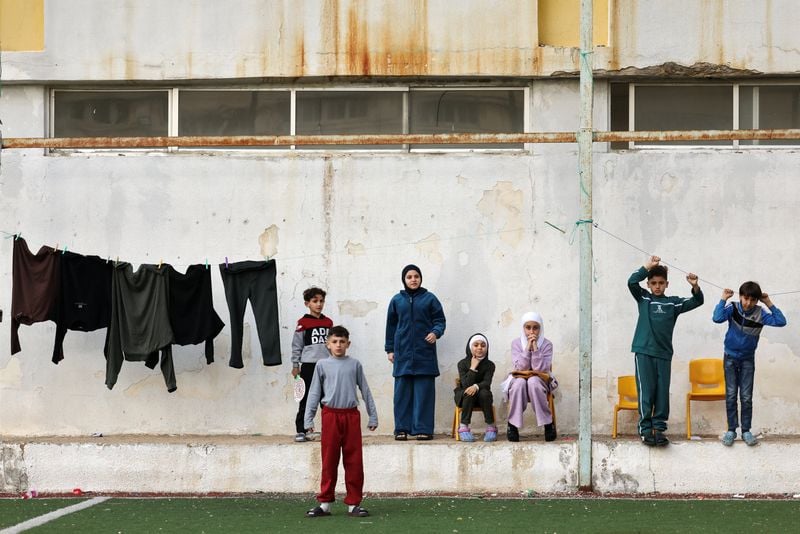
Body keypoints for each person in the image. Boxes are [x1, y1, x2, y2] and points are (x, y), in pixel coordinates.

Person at [628, 255, 703, 447]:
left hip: (664, 354)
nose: (657, 286)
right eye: (653, 283)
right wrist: (647, 266)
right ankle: (645, 430)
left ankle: (659, 429)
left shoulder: (673, 303)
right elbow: (631, 282)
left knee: (662, 392)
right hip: (644, 352)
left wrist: (694, 286)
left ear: (667, 284)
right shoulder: (644, 298)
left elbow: (697, 301)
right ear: (649, 284)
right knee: (646, 391)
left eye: (661, 283)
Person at [304, 325, 378, 518]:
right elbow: (314, 392)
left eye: (342, 342)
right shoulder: (322, 365)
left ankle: (354, 504)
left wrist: (373, 415)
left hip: (351, 416)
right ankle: (325, 503)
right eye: (335, 342)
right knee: (329, 460)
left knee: (354, 461)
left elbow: (365, 390)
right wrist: (308, 417)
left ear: (348, 344)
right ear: (328, 344)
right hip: (330, 416)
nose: (338, 345)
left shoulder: (355, 364)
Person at [712, 282, 787, 446]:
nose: (748, 303)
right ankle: (731, 430)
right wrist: (723, 299)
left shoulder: (761, 313)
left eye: (753, 300)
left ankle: (746, 430)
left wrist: (768, 303)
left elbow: (781, 321)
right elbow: (717, 318)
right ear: (740, 296)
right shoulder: (733, 308)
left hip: (747, 359)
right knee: (731, 395)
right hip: (730, 357)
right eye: (745, 298)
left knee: (746, 397)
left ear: (757, 301)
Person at [385, 264, 446, 441]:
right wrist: (390, 349)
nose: (413, 279)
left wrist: (435, 332)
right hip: (402, 354)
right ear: (404, 279)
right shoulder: (397, 300)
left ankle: (423, 429)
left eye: (416, 276)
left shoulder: (430, 299)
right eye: (409, 277)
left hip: (424, 354)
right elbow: (391, 326)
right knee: (402, 395)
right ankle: (401, 429)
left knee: (424, 393)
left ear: (420, 278)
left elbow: (440, 320)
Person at [505, 312, 557, 442]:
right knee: (519, 384)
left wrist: (535, 348)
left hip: (540, 380)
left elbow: (541, 369)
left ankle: (548, 424)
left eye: (536, 327)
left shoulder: (547, 344)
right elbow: (520, 368)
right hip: (520, 378)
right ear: (523, 328)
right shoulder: (516, 343)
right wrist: (527, 346)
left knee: (533, 381)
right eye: (528, 327)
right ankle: (513, 425)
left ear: (541, 328)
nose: (532, 331)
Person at [291, 287, 333, 443]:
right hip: (308, 366)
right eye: (315, 301)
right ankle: (302, 429)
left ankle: (329, 430)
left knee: (326, 399)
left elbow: (332, 344)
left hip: (326, 366)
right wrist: (295, 365)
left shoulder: (328, 323)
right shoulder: (302, 323)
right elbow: (297, 345)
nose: (319, 304)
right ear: (307, 303)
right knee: (306, 398)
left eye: (321, 301)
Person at [454, 333, 497, 442]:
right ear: (470, 347)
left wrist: (476, 386)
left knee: (484, 393)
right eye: (476, 345)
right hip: (465, 396)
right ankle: (463, 427)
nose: (479, 348)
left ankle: (491, 426)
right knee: (469, 392)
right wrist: (473, 367)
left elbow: (487, 383)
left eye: (483, 345)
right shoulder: (462, 364)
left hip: (483, 397)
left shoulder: (490, 365)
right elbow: (465, 384)